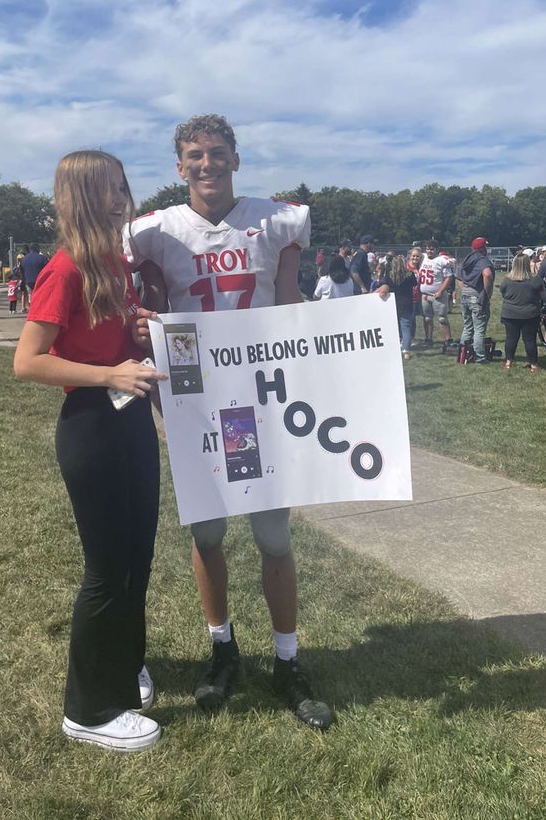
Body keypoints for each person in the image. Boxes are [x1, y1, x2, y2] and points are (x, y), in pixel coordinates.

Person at [125, 113, 333, 731]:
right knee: (208, 533)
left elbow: (291, 307)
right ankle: (223, 648)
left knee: (273, 537)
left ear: (236, 158)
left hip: (259, 396)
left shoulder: (275, 220)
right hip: (197, 398)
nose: (207, 163)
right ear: (179, 166)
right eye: (194, 155)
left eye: (217, 152)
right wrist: (141, 322)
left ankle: (287, 660)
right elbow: (118, 286)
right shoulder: (155, 230)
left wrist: (354, 329)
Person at [14, 150, 166, 752]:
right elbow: (27, 361)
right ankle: (88, 709)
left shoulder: (112, 262)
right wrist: (107, 376)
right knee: (106, 570)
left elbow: (104, 342)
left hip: (128, 424)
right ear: (81, 194)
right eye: (109, 187)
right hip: (91, 426)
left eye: (123, 185)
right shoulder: (65, 267)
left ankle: (124, 670)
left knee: (138, 561)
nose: (121, 196)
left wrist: (133, 331)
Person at [499, 254, 544, 372]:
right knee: (529, 339)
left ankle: (508, 362)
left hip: (510, 313)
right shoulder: (535, 280)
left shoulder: (506, 280)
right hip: (530, 314)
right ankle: (533, 365)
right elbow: (543, 296)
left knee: (511, 338)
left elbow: (503, 294)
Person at [456, 237, 495, 363]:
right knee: (479, 328)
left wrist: (465, 289)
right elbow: (487, 274)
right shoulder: (482, 260)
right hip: (476, 296)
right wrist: (487, 294)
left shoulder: (467, 259)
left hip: (465, 295)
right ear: (483, 248)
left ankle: (463, 354)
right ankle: (480, 357)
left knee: (467, 327)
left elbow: (458, 277)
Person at [377, 254, 418, 359]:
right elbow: (414, 284)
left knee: (394, 327)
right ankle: (406, 351)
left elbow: (382, 286)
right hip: (407, 303)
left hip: (393, 304)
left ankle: (393, 347)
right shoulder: (410, 275)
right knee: (406, 328)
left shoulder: (389, 276)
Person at [418, 239, 454, 347]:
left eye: (432, 249)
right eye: (428, 248)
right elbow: (413, 253)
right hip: (424, 295)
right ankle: (428, 339)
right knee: (427, 318)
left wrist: (440, 291)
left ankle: (448, 340)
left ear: (437, 250)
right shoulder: (422, 257)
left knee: (442, 318)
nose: (429, 251)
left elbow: (449, 277)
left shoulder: (441, 260)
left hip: (437, 295)